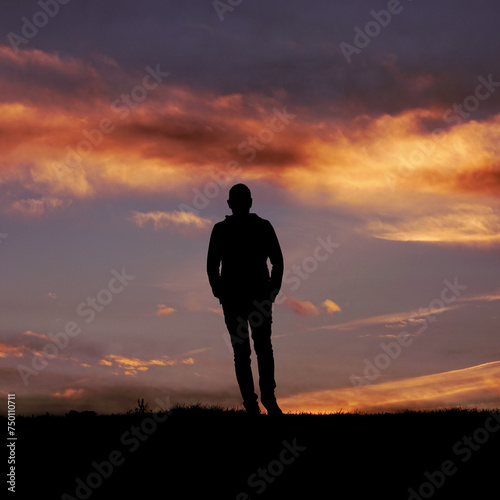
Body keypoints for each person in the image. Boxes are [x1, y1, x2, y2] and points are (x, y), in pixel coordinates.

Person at [207, 184, 284, 416]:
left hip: (252, 297)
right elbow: (212, 265)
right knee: (253, 349)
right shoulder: (254, 227)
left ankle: (261, 401)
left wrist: (272, 290)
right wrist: (219, 290)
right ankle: (256, 403)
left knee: (252, 350)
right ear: (248, 203)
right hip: (242, 297)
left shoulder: (257, 227)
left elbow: (277, 262)